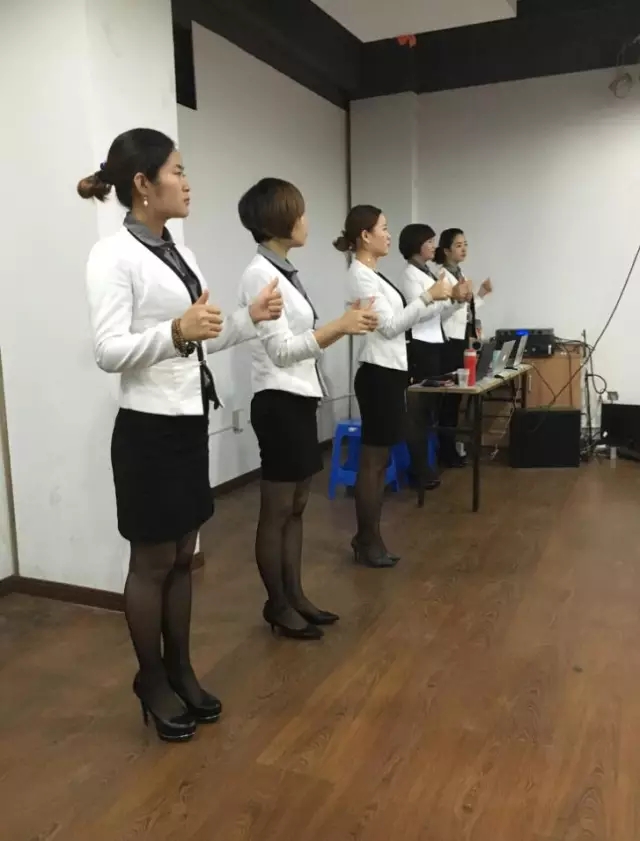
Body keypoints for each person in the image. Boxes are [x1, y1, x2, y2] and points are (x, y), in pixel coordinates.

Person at [79, 128, 283, 742]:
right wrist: (175, 331)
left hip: (189, 420)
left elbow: (200, 336)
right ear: (142, 184)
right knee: (151, 562)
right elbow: (108, 351)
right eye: (177, 170)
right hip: (147, 430)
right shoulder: (111, 256)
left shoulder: (181, 252)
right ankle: (151, 679)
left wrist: (247, 319)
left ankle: (181, 671)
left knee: (183, 557)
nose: (187, 182)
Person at [237, 178, 379, 639]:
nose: (305, 221)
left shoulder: (283, 269)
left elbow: (299, 340)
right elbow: (281, 351)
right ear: (278, 219)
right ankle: (277, 604)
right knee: (278, 509)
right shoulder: (259, 274)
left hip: (298, 397)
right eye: (299, 212)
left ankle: (295, 595)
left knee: (297, 505)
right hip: (278, 401)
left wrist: (340, 327)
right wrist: (340, 326)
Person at [336, 206, 451, 568]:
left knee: (380, 458)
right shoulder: (360, 276)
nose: (388, 235)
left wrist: (430, 299)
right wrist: (428, 297)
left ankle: (369, 537)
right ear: (365, 235)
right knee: (373, 462)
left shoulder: (373, 274)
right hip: (378, 373)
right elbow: (389, 327)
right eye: (383, 229)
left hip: (390, 371)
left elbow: (396, 321)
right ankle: (367, 539)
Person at [398, 224, 468, 502]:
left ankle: (429, 461)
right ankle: (418, 469)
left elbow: (439, 311)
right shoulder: (410, 274)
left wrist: (456, 300)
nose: (433, 247)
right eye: (428, 242)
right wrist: (445, 297)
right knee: (419, 410)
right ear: (416, 245)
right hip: (420, 343)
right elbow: (418, 312)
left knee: (432, 409)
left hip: (436, 341)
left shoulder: (428, 273)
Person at [434, 228, 493, 467]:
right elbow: (439, 312)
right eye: (458, 245)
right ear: (446, 250)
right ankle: (445, 450)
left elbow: (466, 308)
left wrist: (481, 294)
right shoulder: (441, 277)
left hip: (462, 340)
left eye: (465, 244)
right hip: (448, 341)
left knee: (458, 398)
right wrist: (459, 299)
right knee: (448, 400)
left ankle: (451, 448)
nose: (464, 249)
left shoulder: (460, 274)